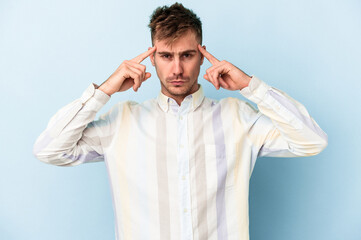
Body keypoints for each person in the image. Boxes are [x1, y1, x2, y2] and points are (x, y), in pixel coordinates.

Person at [33, 3, 327, 240]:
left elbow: (312, 141)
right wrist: (104, 91)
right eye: (165, 55)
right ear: (152, 59)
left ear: (202, 56)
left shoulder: (237, 117)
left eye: (187, 55)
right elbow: (49, 149)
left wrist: (251, 85)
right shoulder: (121, 122)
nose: (176, 68)